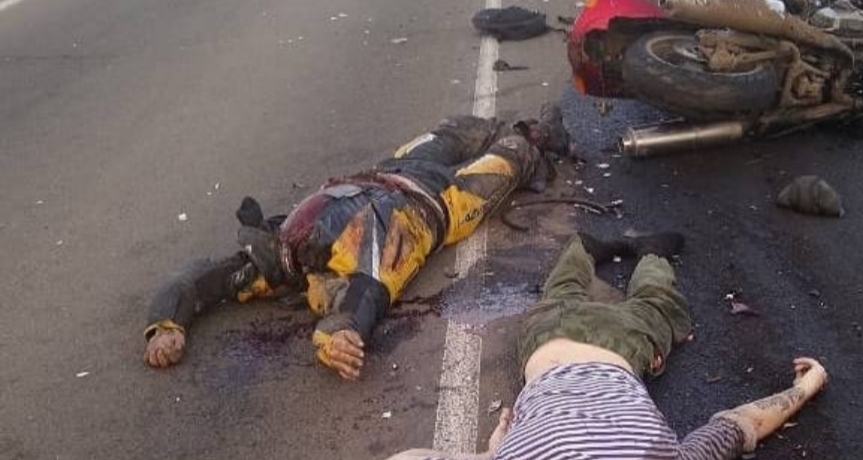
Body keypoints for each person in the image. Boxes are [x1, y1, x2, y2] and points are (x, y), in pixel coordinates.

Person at [375, 233, 829, 460]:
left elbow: (741, 422)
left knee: (655, 306)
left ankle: (605, 252)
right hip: (545, 342)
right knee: (563, 299)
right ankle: (630, 255)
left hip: (619, 345)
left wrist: (808, 386)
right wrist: (491, 457)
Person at [142, 108, 570, 380]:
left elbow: (197, 279)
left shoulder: (285, 253)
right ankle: (540, 132)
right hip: (442, 202)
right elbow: (361, 303)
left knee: (456, 129)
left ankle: (517, 127)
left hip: (391, 170)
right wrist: (165, 325)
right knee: (514, 152)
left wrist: (167, 323)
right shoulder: (340, 267)